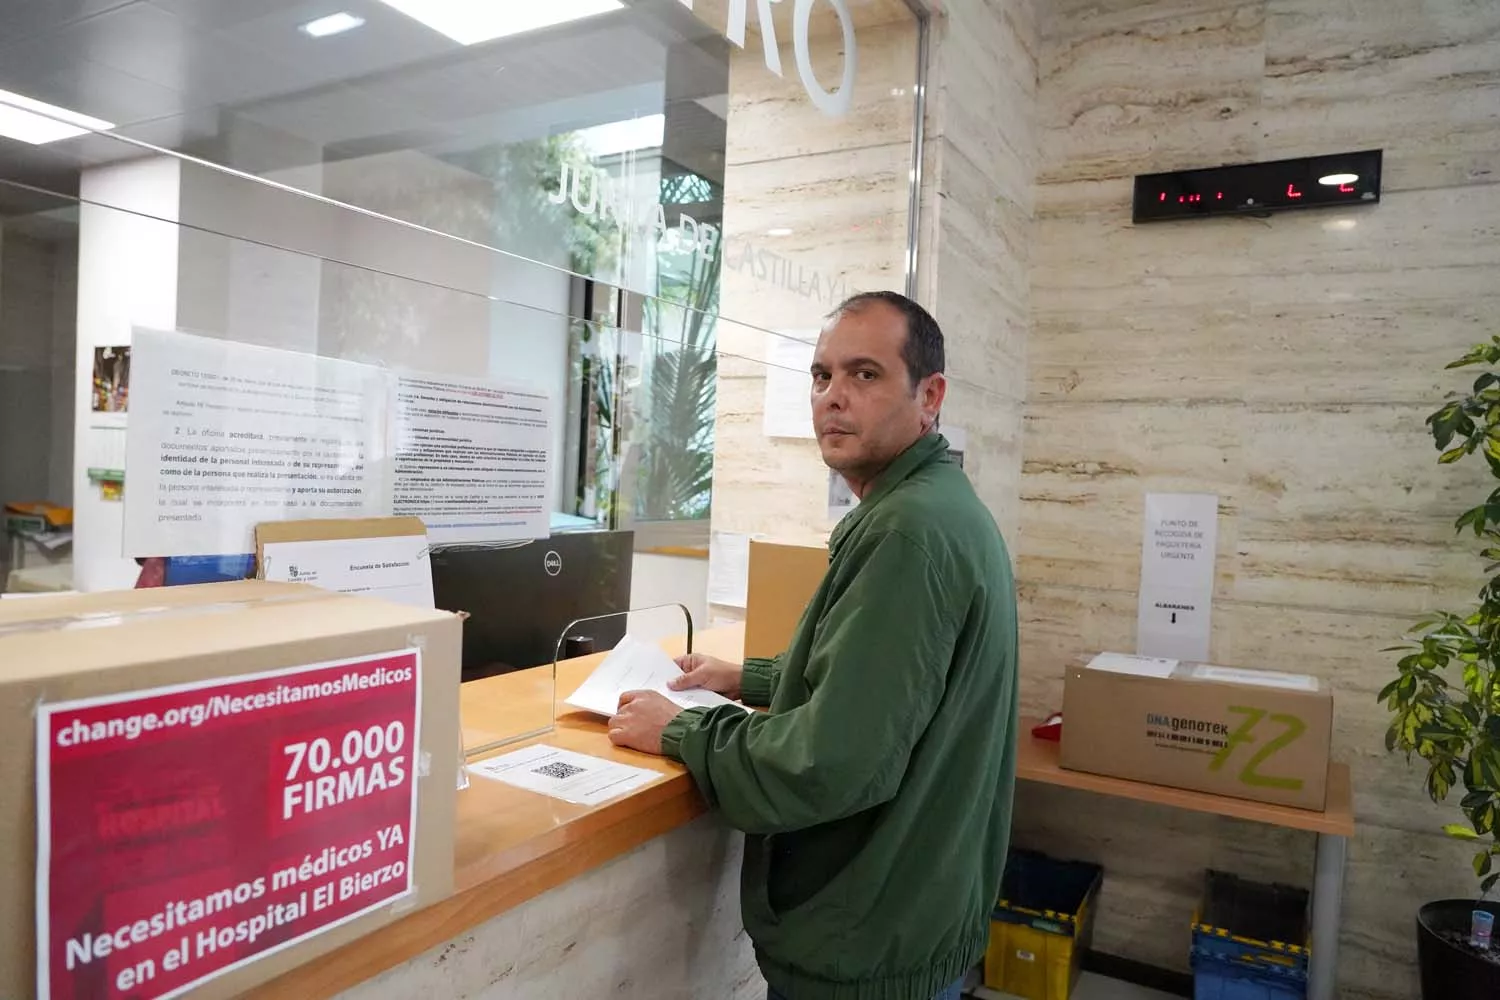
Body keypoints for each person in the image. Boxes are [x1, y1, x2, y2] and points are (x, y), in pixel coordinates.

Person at [608, 291, 1018, 1000]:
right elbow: (898, 682)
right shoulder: (931, 506)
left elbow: (831, 763)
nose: (833, 398)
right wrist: (754, 678)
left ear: (931, 397)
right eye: (822, 375)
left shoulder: (909, 532)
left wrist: (684, 729)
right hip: (913, 915)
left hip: (870, 939)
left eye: (865, 375)